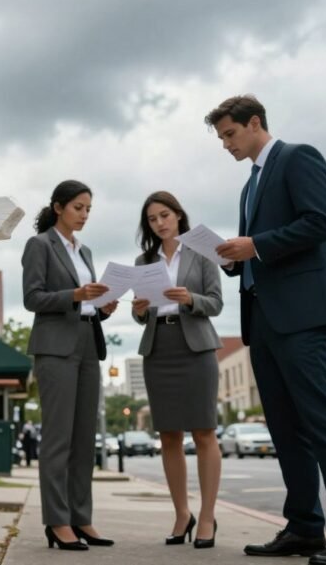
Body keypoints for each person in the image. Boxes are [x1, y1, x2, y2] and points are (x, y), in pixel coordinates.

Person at [208, 95, 326, 565]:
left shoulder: (299, 157)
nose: (226, 145)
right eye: (221, 138)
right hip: (261, 319)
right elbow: (257, 253)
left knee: (322, 422)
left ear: (254, 122)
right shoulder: (248, 187)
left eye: (230, 134)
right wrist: (231, 257)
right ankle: (304, 528)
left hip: (303, 314)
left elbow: (322, 223)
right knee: (284, 429)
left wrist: (254, 245)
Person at [21, 179, 118, 551]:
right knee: (58, 438)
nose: (84, 215)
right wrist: (77, 295)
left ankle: (82, 517)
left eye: (89, 209)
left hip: (88, 343)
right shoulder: (39, 245)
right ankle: (57, 522)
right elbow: (32, 298)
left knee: (83, 439)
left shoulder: (86, 251)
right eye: (79, 207)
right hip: (55, 347)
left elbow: (83, 303)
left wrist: (101, 307)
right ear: (59, 207)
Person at [131, 191, 223, 549]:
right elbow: (141, 315)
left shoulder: (201, 252)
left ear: (179, 215)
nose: (160, 223)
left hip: (196, 347)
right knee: (168, 435)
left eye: (164, 215)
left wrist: (190, 299)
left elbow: (216, 302)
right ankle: (182, 513)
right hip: (159, 349)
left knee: (204, 432)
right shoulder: (144, 260)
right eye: (152, 219)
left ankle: (209, 516)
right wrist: (139, 309)